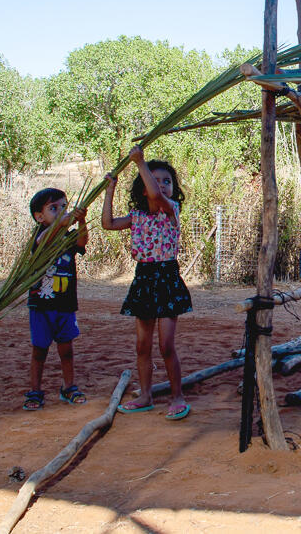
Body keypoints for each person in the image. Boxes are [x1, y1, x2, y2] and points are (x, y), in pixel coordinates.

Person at [102, 146, 193, 421]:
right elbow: (107, 223)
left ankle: (177, 396)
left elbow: (156, 196)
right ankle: (145, 395)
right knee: (142, 346)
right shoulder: (137, 216)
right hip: (143, 279)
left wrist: (140, 162)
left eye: (167, 181)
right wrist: (110, 189)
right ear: (143, 189)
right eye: (156, 181)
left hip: (166, 277)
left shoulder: (170, 210)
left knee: (166, 345)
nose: (162, 186)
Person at [23, 188, 89, 411]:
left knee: (66, 349)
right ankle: (35, 391)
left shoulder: (67, 238)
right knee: (39, 350)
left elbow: (82, 243)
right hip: (41, 305)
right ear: (39, 217)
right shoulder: (39, 236)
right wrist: (61, 222)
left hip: (65, 304)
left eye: (64, 207)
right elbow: (43, 240)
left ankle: (68, 387)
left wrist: (81, 221)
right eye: (54, 208)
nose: (61, 212)